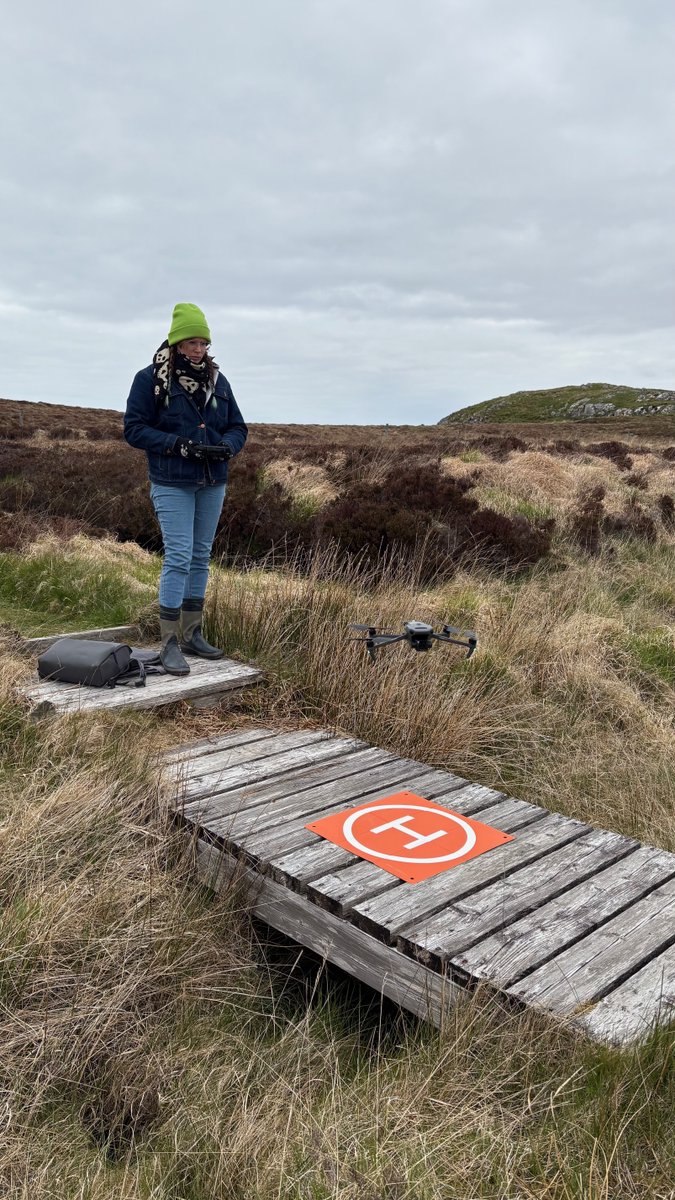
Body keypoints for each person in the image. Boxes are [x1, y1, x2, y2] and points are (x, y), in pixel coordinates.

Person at [124, 302, 247, 675]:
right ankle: (168, 642)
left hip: (213, 481)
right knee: (178, 557)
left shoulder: (218, 381)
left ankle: (193, 633)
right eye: (192, 342)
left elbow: (238, 426)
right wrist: (179, 445)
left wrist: (228, 446)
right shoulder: (151, 379)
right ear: (177, 344)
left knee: (200, 556)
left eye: (203, 343)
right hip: (172, 481)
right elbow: (133, 428)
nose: (199, 349)